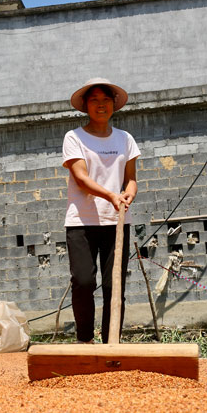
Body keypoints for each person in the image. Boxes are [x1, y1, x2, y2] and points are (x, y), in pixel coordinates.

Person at [62, 78, 140, 344]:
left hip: (116, 221)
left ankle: (111, 343)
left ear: (114, 105)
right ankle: (85, 341)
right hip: (81, 221)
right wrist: (109, 194)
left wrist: (129, 192)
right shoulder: (74, 138)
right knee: (84, 281)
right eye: (94, 100)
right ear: (85, 105)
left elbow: (130, 178)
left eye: (105, 100)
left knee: (113, 285)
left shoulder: (125, 139)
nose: (100, 105)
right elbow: (81, 178)